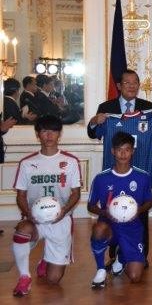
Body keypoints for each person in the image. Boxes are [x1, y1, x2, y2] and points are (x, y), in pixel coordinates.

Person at [87, 68, 152, 268]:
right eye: (127, 83)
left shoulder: (148, 107)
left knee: (140, 214)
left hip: (140, 172)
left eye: (135, 82)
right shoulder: (107, 107)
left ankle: (141, 254)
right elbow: (93, 133)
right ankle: (115, 254)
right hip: (115, 173)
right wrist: (95, 121)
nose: (132, 86)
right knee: (112, 212)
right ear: (119, 86)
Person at [11, 115, 82, 297]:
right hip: (35, 219)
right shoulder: (27, 163)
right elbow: (21, 195)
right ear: (37, 134)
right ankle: (24, 277)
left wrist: (64, 211)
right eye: (44, 131)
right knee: (22, 229)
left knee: (53, 280)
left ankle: (45, 260)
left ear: (59, 134)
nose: (49, 135)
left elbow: (76, 194)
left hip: (61, 220)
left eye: (53, 131)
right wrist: (28, 213)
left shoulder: (71, 162)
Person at [88, 132, 152, 288]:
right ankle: (101, 269)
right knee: (98, 229)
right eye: (119, 150)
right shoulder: (101, 178)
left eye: (127, 149)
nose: (123, 154)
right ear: (112, 151)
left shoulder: (142, 176)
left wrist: (138, 211)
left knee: (135, 276)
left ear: (133, 151)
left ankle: (122, 257)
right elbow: (90, 206)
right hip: (109, 225)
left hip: (132, 227)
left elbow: (149, 202)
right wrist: (106, 213)